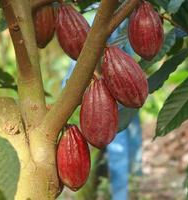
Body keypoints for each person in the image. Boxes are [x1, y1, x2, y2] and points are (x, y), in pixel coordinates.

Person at [61, 8, 143, 200]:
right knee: (118, 146)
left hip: (114, 92)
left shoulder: (108, 16)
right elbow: (79, 57)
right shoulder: (93, 17)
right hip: (106, 95)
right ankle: (123, 189)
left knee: (122, 145)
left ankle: (125, 189)